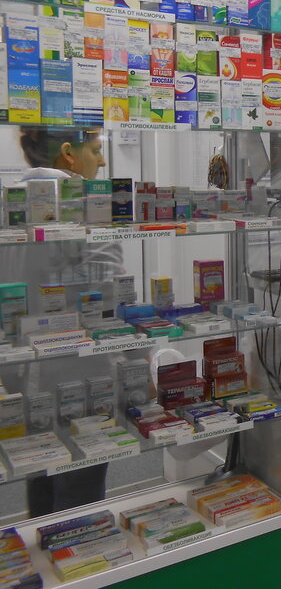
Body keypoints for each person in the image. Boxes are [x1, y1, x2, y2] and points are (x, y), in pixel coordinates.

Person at [7, 128, 122, 515]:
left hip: (20, 377)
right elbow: (109, 302)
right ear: (68, 153)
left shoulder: (9, 200)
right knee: (80, 495)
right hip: (82, 376)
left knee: (38, 474)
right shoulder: (88, 205)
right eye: (96, 150)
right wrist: (140, 363)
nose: (102, 161)